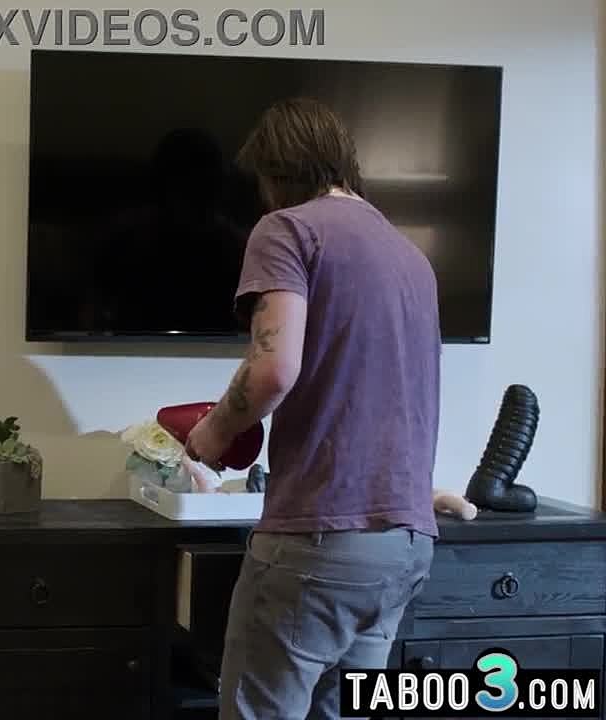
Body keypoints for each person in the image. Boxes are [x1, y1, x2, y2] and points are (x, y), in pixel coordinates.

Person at [183, 98, 441, 719]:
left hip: (319, 542)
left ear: (278, 173)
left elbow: (273, 368)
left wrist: (210, 435)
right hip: (404, 546)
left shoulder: (288, 230)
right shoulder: (411, 256)